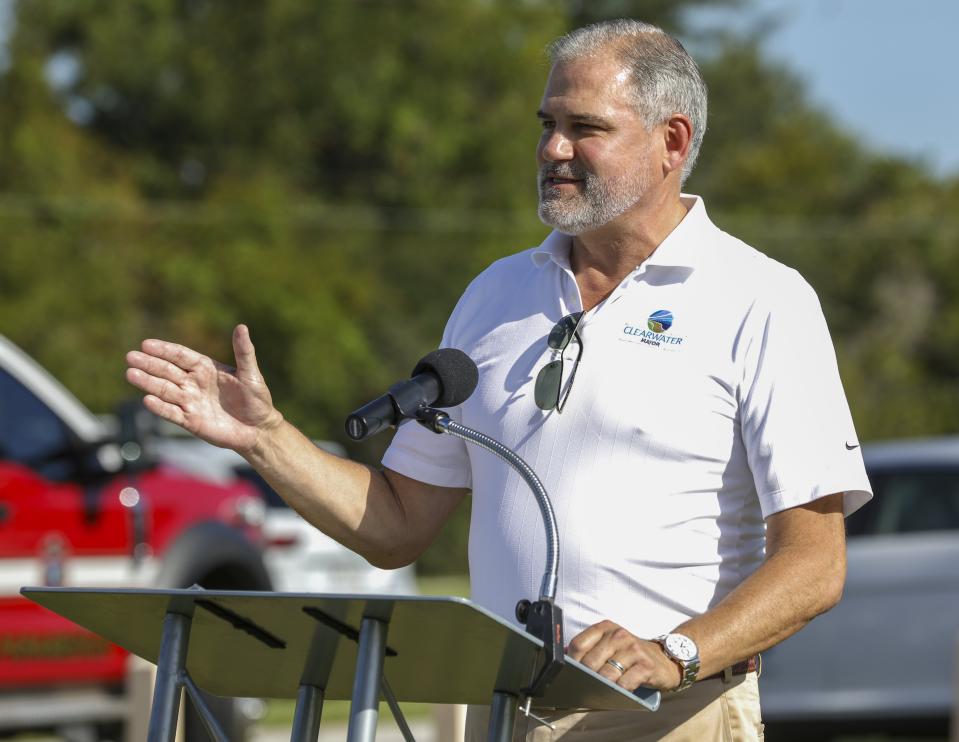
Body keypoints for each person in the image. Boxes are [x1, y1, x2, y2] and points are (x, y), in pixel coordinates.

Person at [126, 18, 872, 741]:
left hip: (670, 715)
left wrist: (673, 654)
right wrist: (266, 438)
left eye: (585, 128)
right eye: (546, 123)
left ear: (670, 140)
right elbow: (395, 525)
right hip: (503, 712)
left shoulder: (760, 299)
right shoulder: (495, 295)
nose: (552, 148)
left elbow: (813, 564)